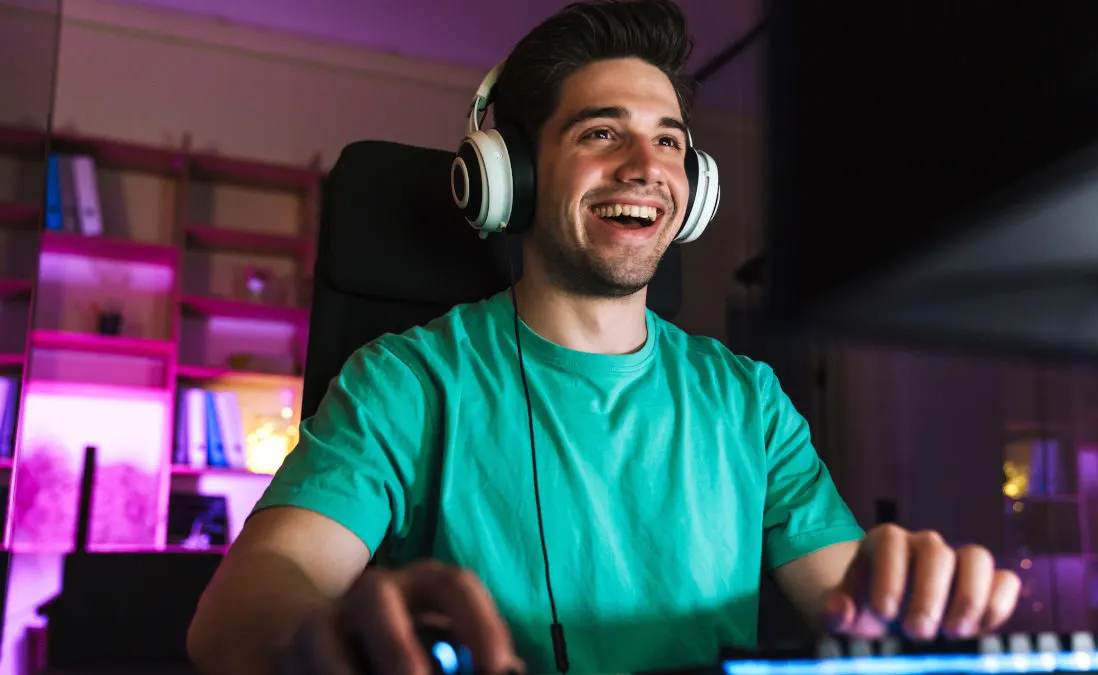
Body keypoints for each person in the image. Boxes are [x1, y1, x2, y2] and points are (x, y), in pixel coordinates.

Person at [186, 1, 1022, 674]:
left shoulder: (749, 401)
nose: (644, 165)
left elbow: (851, 606)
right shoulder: (405, 381)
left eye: (669, 140)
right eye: (600, 132)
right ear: (509, 177)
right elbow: (249, 598)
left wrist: (914, 603)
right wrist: (308, 638)